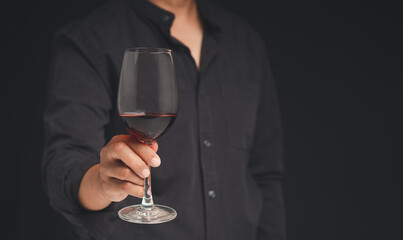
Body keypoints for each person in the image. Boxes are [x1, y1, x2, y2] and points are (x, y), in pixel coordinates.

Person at [42, 0, 285, 239]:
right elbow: (63, 160)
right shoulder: (91, 37)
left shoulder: (245, 41)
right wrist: (101, 183)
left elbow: (266, 174)